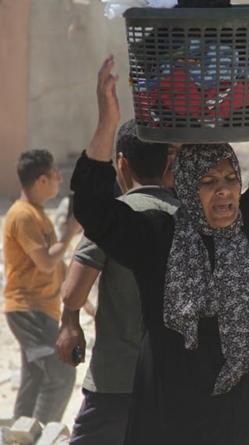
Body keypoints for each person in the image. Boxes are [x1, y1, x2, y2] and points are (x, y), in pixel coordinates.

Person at [70, 1, 249, 444]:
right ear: (183, 186)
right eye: (208, 181)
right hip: (171, 411)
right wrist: (107, 123)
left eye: (230, 179)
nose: (223, 190)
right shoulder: (158, 237)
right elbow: (95, 207)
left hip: (245, 413)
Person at [55, 121, 178, 445]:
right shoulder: (189, 219)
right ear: (168, 161)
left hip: (116, 382)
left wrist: (70, 324)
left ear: (121, 162)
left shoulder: (114, 218)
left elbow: (72, 291)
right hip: (175, 382)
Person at [3, 149, 81, 423]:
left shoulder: (37, 214)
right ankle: (41, 437)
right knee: (61, 373)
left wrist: (85, 301)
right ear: (41, 181)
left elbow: (54, 267)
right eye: (55, 174)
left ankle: (18, 436)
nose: (60, 178)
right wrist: (71, 231)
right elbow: (47, 263)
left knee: (34, 379)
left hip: (41, 310)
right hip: (28, 309)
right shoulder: (23, 215)